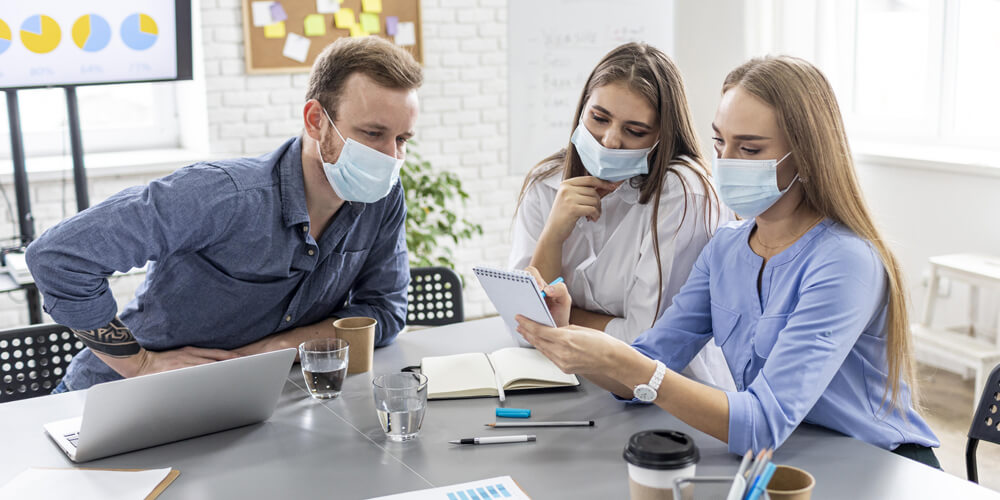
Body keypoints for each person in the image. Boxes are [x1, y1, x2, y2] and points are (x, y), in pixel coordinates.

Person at [514, 55, 941, 468]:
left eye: (750, 149)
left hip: (881, 466)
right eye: (720, 141)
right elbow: (647, 363)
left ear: (807, 156)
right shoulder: (726, 249)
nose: (726, 162)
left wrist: (622, 361)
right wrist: (573, 337)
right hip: (788, 459)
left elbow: (761, 422)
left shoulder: (846, 262)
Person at [26, 36, 421, 392]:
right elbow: (58, 256)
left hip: (245, 398)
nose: (391, 157)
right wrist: (140, 364)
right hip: (118, 399)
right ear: (316, 121)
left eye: (402, 139)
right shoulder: (223, 195)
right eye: (372, 134)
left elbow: (383, 312)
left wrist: (280, 347)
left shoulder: (382, 200)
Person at [509, 42, 734, 390]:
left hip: (665, 399)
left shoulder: (683, 192)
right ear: (583, 109)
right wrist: (553, 234)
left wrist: (563, 320)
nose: (610, 140)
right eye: (599, 118)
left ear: (663, 135)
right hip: (568, 386)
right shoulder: (547, 182)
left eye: (635, 131)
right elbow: (525, 328)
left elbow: (645, 345)